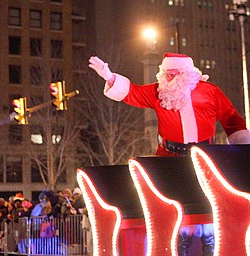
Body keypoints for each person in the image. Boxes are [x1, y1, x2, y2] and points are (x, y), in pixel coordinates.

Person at [89, 53, 250, 256]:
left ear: (188, 74)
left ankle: (209, 251)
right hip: (168, 159)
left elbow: (231, 119)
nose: (170, 77)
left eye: (175, 73)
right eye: (167, 73)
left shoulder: (210, 91)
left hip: (202, 160)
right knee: (174, 212)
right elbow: (133, 93)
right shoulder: (159, 92)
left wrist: (241, 145)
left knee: (208, 212)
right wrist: (110, 77)